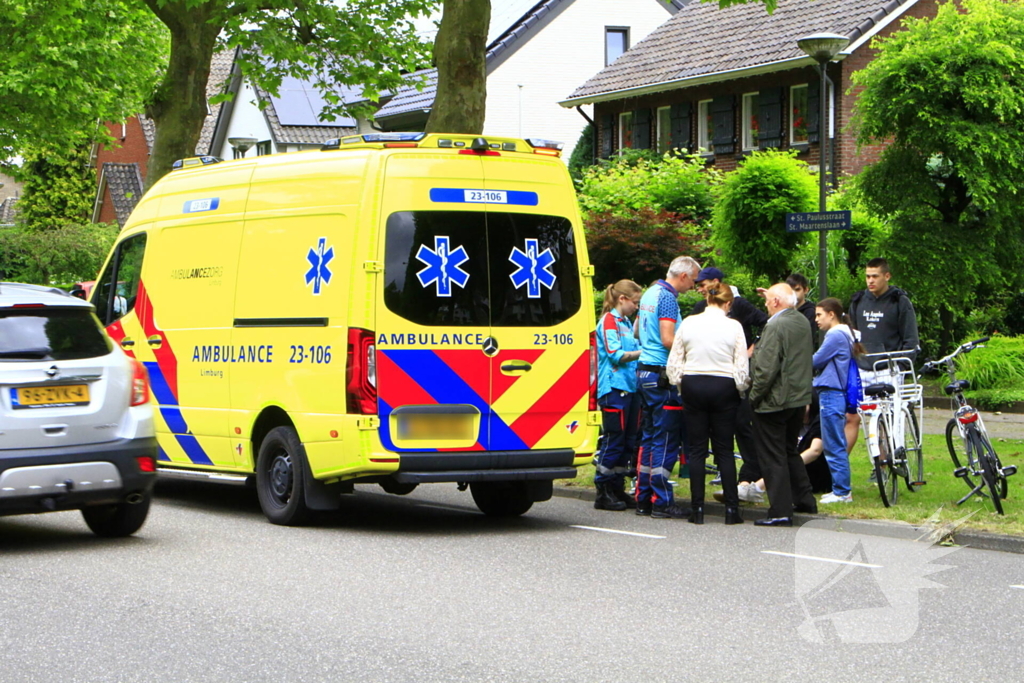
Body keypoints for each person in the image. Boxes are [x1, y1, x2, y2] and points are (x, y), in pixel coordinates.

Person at [668, 281, 748, 525]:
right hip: (724, 386)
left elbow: (675, 363)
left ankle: (697, 510)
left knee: (696, 450)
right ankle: (732, 511)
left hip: (694, 384)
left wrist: (681, 386)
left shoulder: (690, 322)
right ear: (727, 303)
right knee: (724, 449)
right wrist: (740, 390)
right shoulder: (733, 326)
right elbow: (741, 367)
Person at [691, 266, 768, 505]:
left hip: (734, 377)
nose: (700, 289)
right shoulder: (697, 311)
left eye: (703, 285)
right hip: (711, 378)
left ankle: (750, 473)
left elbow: (765, 323)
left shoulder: (739, 306)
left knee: (743, 426)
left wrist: (751, 350)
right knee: (718, 436)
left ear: (715, 282)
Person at [636, 255, 700, 519]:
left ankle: (643, 498)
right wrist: (693, 352)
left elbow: (639, 332)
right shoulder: (667, 298)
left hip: (643, 372)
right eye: (694, 280)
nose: (695, 286)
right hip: (661, 375)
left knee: (649, 436)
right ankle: (661, 501)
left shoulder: (649, 292)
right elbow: (667, 338)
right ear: (683, 276)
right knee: (664, 439)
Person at [749, 283, 816, 527]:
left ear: (776, 302)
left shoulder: (775, 324)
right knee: (789, 451)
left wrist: (754, 396)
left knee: (772, 455)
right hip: (797, 398)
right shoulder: (800, 320)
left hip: (774, 401)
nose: (765, 304)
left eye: (767, 300)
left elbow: (766, 368)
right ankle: (804, 500)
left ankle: (780, 510)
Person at [847, 258, 920, 454]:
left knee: (890, 417)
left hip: (890, 368)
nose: (870, 281)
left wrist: (902, 367)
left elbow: (911, 339)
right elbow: (851, 335)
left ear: (886, 276)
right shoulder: (858, 301)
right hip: (863, 367)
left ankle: (894, 455)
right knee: (862, 417)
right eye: (867, 276)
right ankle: (877, 463)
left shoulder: (899, 301)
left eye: (875, 276)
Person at [593, 280, 643, 511]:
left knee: (628, 442)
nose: (637, 307)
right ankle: (602, 489)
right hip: (613, 389)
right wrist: (643, 353)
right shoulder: (609, 321)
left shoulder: (625, 321)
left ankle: (616, 486)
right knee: (614, 440)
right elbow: (615, 354)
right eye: (635, 302)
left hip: (630, 387)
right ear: (622, 299)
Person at [812, 298, 861, 504]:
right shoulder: (845, 333)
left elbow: (815, 360)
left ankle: (842, 492)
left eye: (819, 315)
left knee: (834, 443)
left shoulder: (835, 334)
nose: (816, 319)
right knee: (834, 442)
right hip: (834, 393)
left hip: (832, 393)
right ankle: (839, 489)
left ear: (831, 314)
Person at [787, 272, 818, 348]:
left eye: (797, 290)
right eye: (791, 290)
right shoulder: (786, 310)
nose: (794, 293)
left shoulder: (810, 311)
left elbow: (807, 338)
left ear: (806, 290)